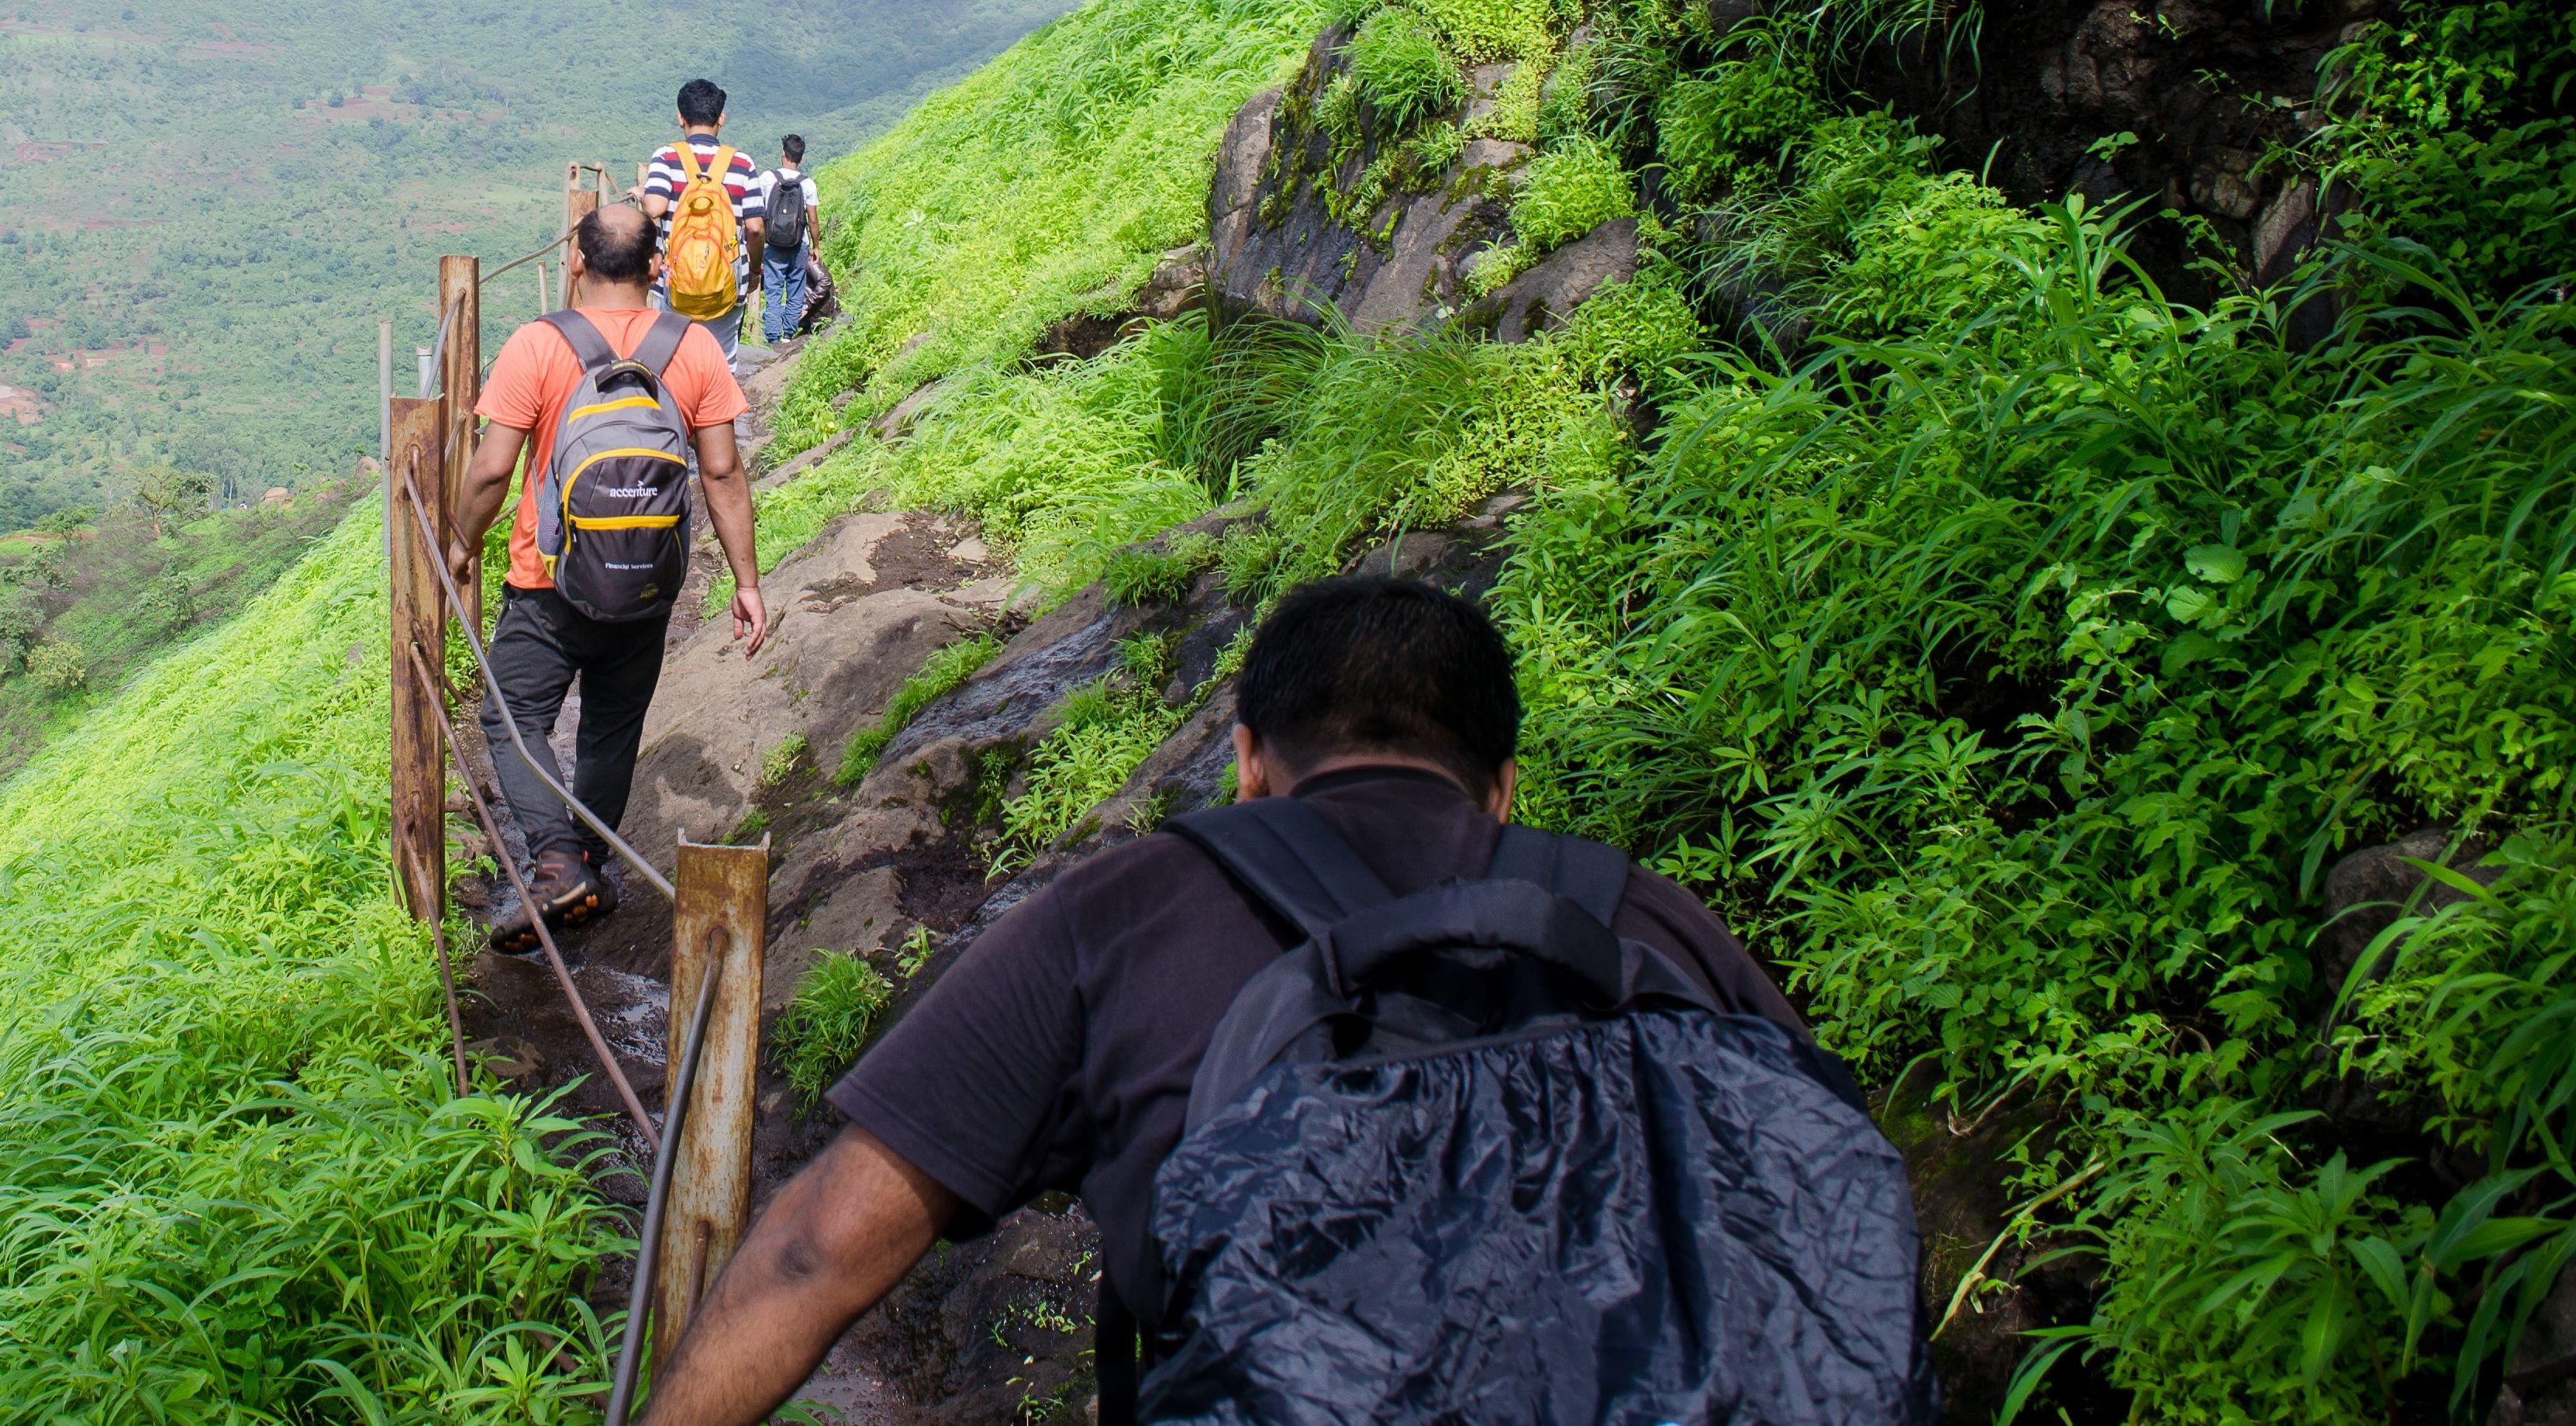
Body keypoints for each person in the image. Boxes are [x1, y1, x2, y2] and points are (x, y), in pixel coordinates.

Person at [633, 576, 1815, 1426]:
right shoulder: (1652, 928)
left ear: (1248, 760)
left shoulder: (1133, 912)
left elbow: (812, 1257)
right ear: (1503, 788)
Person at [451, 200, 769, 942]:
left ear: (576, 264)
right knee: (610, 728)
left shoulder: (536, 345)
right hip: (649, 582)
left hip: (546, 581)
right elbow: (721, 474)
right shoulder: (692, 349)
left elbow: (493, 470)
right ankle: (593, 859)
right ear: (656, 266)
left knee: (512, 714)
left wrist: (462, 541)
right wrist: (747, 582)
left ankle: (560, 866)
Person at [643, 78, 767, 352]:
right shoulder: (742, 163)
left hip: (675, 283)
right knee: (722, 364)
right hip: (729, 283)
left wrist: (642, 192)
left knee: (674, 362)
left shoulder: (666, 157)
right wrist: (755, 271)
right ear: (721, 118)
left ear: (680, 118)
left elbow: (654, 207)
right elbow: (756, 228)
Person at [757, 135, 822, 344]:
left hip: (772, 244)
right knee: (795, 290)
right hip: (798, 244)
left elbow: (758, 213)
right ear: (801, 158)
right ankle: (788, 335)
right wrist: (816, 246)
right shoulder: (808, 184)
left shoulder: (768, 178)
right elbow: (812, 219)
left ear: (783, 153)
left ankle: (773, 339)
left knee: (773, 292)